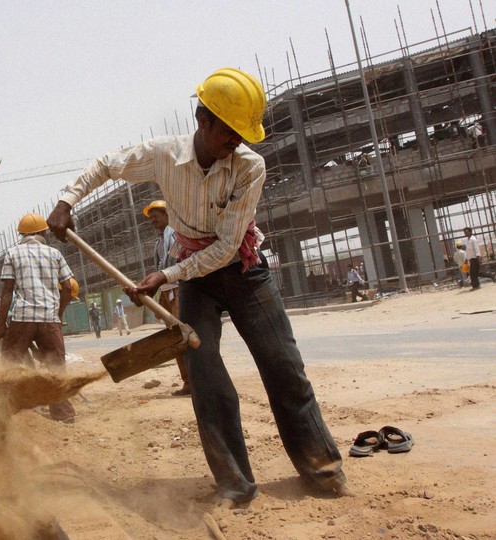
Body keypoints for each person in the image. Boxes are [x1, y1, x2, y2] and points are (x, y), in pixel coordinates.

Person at [47, 67, 348, 505]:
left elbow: (227, 247)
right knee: (207, 380)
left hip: (243, 269)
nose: (239, 141)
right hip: (195, 279)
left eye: (245, 133)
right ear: (203, 121)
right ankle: (235, 485)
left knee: (284, 367)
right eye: (231, 131)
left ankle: (322, 471)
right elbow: (106, 166)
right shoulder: (164, 155)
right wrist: (65, 201)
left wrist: (165, 276)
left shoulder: (250, 167)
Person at [0, 213, 76, 423]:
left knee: (9, 367)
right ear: (42, 232)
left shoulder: (12, 253)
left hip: (22, 318)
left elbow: (7, 292)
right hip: (49, 319)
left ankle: (3, 412)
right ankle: (63, 414)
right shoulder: (54, 254)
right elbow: (68, 287)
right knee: (56, 369)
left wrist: (1, 325)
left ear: (22, 234)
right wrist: (58, 314)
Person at [144, 199, 189, 396]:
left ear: (167, 214)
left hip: (177, 289)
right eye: (151, 216)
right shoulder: (159, 242)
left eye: (156, 215)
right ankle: (188, 382)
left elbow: (172, 265)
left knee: (182, 336)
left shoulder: (175, 234)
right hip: (167, 291)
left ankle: (195, 381)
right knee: (174, 339)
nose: (153, 219)